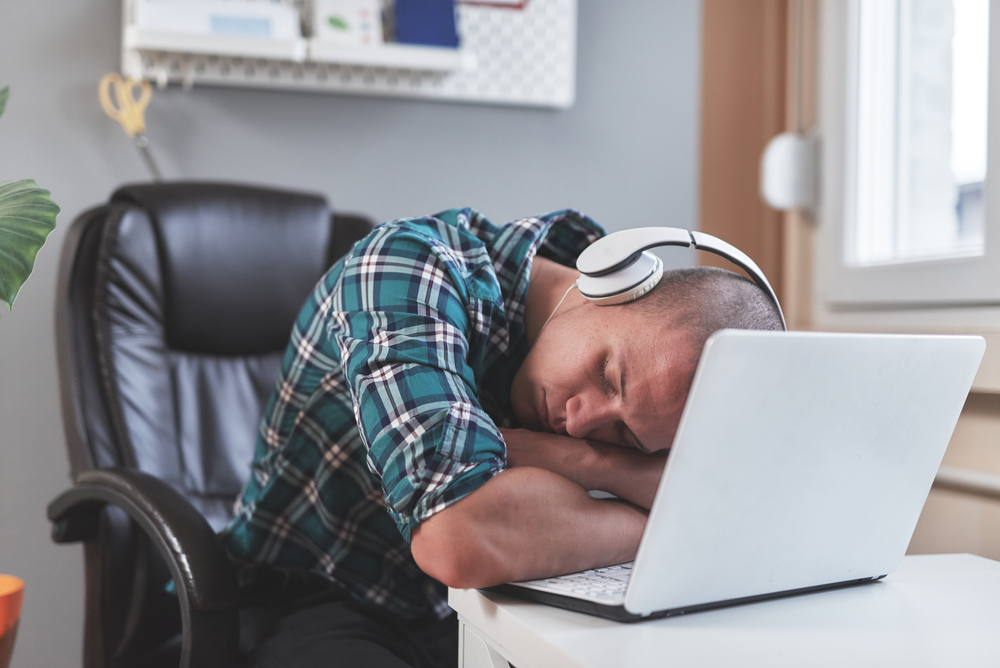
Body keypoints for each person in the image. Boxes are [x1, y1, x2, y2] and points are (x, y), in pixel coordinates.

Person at [219, 207, 783, 668]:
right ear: (613, 282)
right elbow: (458, 541)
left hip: (463, 607)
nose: (582, 419)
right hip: (300, 589)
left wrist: (587, 469)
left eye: (625, 437)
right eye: (608, 374)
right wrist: (663, 513)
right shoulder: (405, 266)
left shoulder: (618, 370)